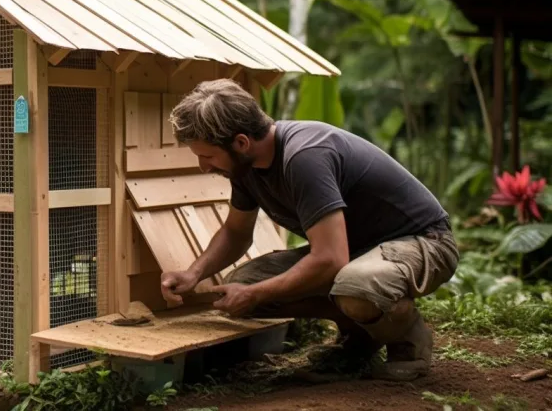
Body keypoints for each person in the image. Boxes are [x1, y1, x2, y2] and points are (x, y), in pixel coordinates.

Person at [159, 79, 459, 381]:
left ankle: (407, 340)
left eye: (207, 156)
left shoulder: (304, 156)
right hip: (357, 251)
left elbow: (330, 259)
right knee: (244, 281)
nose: (203, 166)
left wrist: (254, 295)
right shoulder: (245, 166)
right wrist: (193, 274)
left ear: (241, 142)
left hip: (424, 241)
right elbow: (236, 233)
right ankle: (361, 337)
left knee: (353, 286)